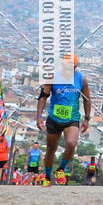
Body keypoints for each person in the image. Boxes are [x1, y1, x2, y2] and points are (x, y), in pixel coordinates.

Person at [36, 54, 91, 186]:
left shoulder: (81, 80)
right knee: (51, 149)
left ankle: (61, 168)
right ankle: (47, 176)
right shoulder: (53, 76)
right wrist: (39, 116)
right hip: (54, 118)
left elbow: (87, 99)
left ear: (75, 66)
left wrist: (87, 119)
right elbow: (43, 96)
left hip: (72, 118)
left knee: (71, 143)